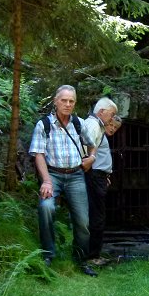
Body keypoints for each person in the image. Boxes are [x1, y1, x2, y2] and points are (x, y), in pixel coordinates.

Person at [29, 85, 98, 276]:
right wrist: (46, 181)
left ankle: (81, 259)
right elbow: (39, 154)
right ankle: (48, 254)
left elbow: (92, 145)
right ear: (56, 101)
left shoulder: (79, 123)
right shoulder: (44, 125)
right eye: (64, 100)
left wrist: (91, 159)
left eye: (71, 101)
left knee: (83, 221)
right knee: (46, 207)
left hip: (76, 175)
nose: (68, 104)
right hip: (52, 175)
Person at [85, 102, 122, 266]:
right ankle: (93, 256)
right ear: (102, 112)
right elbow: (87, 151)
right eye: (111, 116)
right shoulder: (94, 127)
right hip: (94, 175)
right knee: (97, 215)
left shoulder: (98, 129)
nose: (112, 124)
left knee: (97, 214)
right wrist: (96, 172)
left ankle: (93, 253)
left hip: (98, 175)